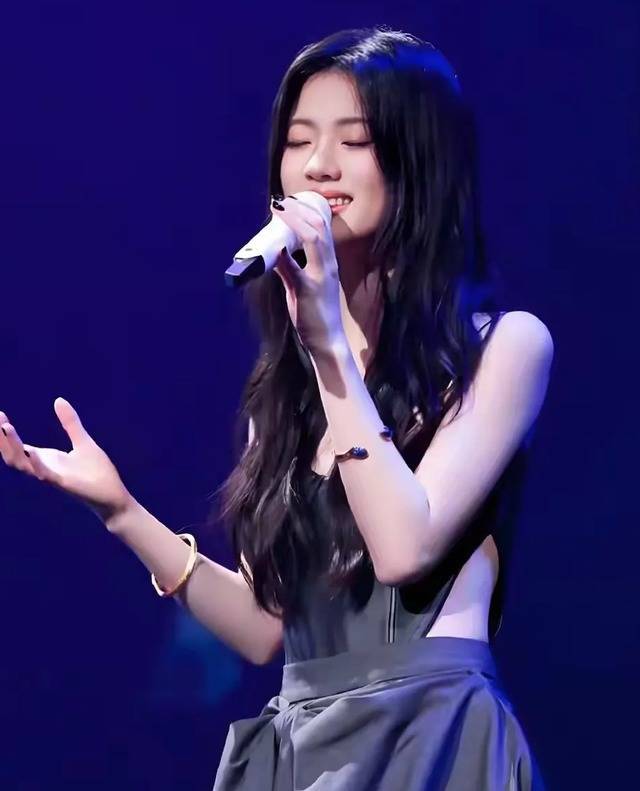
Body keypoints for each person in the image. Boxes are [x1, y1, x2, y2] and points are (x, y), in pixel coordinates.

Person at [0, 26, 553, 791]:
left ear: (421, 162)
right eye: (298, 141)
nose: (319, 164)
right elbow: (266, 627)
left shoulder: (504, 349)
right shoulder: (289, 388)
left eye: (354, 140)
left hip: (432, 737)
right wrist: (122, 511)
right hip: (307, 752)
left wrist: (328, 348)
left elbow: (404, 546)